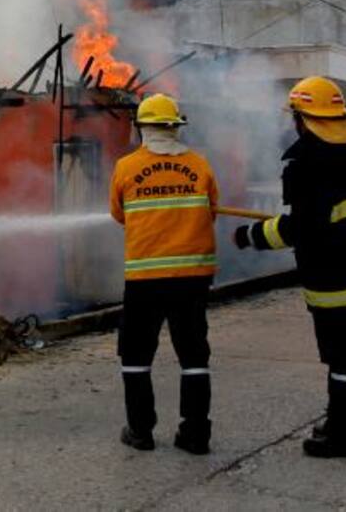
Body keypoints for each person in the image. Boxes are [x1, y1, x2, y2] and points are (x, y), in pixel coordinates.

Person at [233, 76, 346, 459]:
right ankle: (343, 421)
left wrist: (252, 236)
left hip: (331, 281)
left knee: (344, 356)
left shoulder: (305, 162)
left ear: (302, 117)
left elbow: (301, 228)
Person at [109, 93, 219, 454]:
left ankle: (140, 431)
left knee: (136, 356)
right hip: (192, 278)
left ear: (142, 128)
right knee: (193, 356)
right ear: (175, 127)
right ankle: (196, 434)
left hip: (145, 280)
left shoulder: (126, 167)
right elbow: (211, 211)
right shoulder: (200, 165)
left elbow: (119, 214)